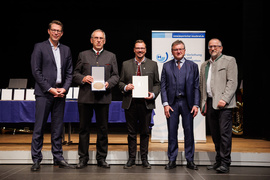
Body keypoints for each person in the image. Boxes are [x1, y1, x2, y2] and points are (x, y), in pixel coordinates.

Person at [30, 20, 74, 171]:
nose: (56, 33)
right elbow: (36, 71)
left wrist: (65, 89)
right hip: (44, 93)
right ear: (48, 31)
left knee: (57, 128)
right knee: (39, 127)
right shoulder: (39, 47)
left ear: (62, 33)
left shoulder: (66, 50)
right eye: (53, 30)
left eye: (59, 31)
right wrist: (49, 89)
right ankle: (36, 159)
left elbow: (69, 72)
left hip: (60, 94)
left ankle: (58, 157)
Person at [73, 29, 119, 169]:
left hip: (103, 97)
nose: (98, 40)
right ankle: (83, 158)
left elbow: (116, 76)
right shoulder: (83, 55)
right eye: (96, 38)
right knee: (83, 129)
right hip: (86, 97)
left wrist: (108, 83)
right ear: (91, 40)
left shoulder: (111, 56)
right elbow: (75, 74)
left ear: (104, 41)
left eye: (101, 38)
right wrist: (83, 78)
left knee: (103, 129)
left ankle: (101, 158)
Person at [119, 40, 160, 169]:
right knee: (131, 133)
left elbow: (157, 84)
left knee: (144, 132)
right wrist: (126, 87)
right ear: (134, 50)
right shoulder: (126, 64)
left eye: (142, 48)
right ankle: (131, 159)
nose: (140, 50)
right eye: (138, 48)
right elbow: (120, 83)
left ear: (146, 50)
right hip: (130, 103)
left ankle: (144, 159)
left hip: (146, 103)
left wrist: (152, 94)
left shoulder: (153, 65)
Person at [160, 40, 200, 170]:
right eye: (176, 49)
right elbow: (163, 86)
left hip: (187, 104)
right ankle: (172, 160)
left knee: (189, 133)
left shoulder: (193, 66)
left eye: (181, 49)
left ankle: (190, 160)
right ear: (172, 52)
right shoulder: (166, 66)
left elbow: (196, 87)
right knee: (172, 132)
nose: (178, 51)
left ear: (184, 50)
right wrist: (165, 104)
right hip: (172, 104)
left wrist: (196, 104)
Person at [200, 38, 237, 173]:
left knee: (224, 134)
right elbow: (202, 86)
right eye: (210, 47)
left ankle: (225, 162)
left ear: (221, 48)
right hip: (210, 103)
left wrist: (225, 99)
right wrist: (203, 104)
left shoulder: (229, 60)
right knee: (215, 135)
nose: (213, 48)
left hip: (223, 104)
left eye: (216, 46)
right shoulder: (205, 65)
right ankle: (218, 160)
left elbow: (232, 82)